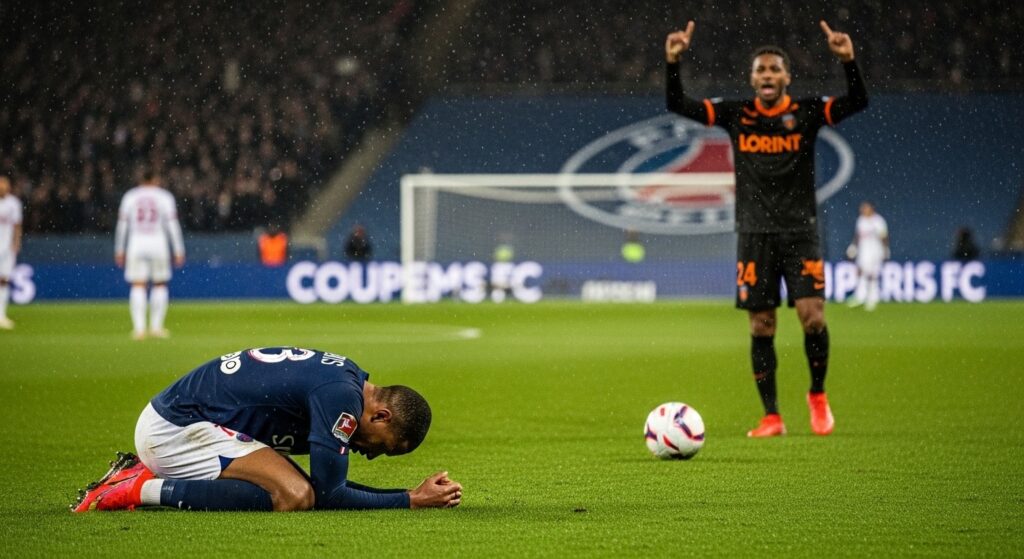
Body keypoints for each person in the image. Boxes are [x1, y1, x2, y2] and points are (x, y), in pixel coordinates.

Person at [666, 20, 868, 437]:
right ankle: (772, 416)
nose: (768, 76)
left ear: (787, 78)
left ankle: (817, 394)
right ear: (752, 79)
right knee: (762, 325)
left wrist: (848, 61)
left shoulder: (807, 113)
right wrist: (673, 62)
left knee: (812, 317)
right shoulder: (736, 114)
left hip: (800, 231)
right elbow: (679, 105)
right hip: (754, 234)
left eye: (775, 69)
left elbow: (858, 101)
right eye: (761, 70)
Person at [72, 346, 462, 512]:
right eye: (384, 447)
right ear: (381, 417)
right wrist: (409, 500)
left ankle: (143, 473)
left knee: (300, 488)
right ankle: (140, 488)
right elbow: (329, 494)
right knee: (294, 496)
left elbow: (327, 485)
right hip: (176, 428)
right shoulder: (341, 401)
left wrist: (408, 495)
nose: (372, 454)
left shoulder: (347, 380)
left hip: (186, 418)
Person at [114, 168, 186, 340]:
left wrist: (119, 249)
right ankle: (156, 327)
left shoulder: (130, 196)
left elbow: (122, 225)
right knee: (160, 284)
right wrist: (178, 249)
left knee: (137, 285)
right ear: (155, 179)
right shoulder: (164, 196)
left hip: (136, 243)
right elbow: (172, 224)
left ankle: (139, 329)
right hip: (158, 242)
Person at [846, 201, 889, 311]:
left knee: (872, 275)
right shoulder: (861, 220)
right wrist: (853, 247)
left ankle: (872, 299)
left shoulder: (878, 221)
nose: (863, 210)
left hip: (875, 251)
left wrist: (885, 249)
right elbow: (857, 236)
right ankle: (860, 296)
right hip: (863, 251)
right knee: (861, 272)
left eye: (865, 208)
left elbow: (884, 236)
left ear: (871, 208)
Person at [0, 175, 23, 330]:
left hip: (7, 249)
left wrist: (16, 242)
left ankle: (1, 315)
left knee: (4, 280)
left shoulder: (14, 203)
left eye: (4, 184)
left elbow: (17, 225)